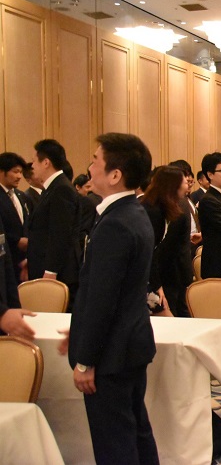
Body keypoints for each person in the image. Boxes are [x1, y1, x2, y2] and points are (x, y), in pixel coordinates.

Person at [62, 132, 159, 465]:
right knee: (135, 432)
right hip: (128, 344)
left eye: (95, 160)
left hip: (111, 353)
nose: (89, 167)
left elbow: (103, 300)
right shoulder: (132, 212)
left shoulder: (116, 223)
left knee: (114, 445)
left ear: (115, 174)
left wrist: (85, 360)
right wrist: (78, 332)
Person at [26, 139, 82, 307]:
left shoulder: (61, 189)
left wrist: (51, 271)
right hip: (47, 267)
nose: (32, 166)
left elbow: (60, 233)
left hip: (58, 272)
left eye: (34, 161)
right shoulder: (52, 188)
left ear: (46, 163)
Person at [140, 166, 193, 317]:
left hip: (152, 275)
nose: (187, 185)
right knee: (167, 318)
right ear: (173, 186)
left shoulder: (161, 208)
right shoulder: (152, 211)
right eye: (184, 182)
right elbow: (149, 251)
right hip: (145, 277)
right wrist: (158, 286)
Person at [0, 152, 32, 282]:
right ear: (2, 172)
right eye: (15, 172)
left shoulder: (21, 196)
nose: (19, 176)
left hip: (24, 261)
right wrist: (16, 241)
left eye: (20, 172)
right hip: (6, 261)